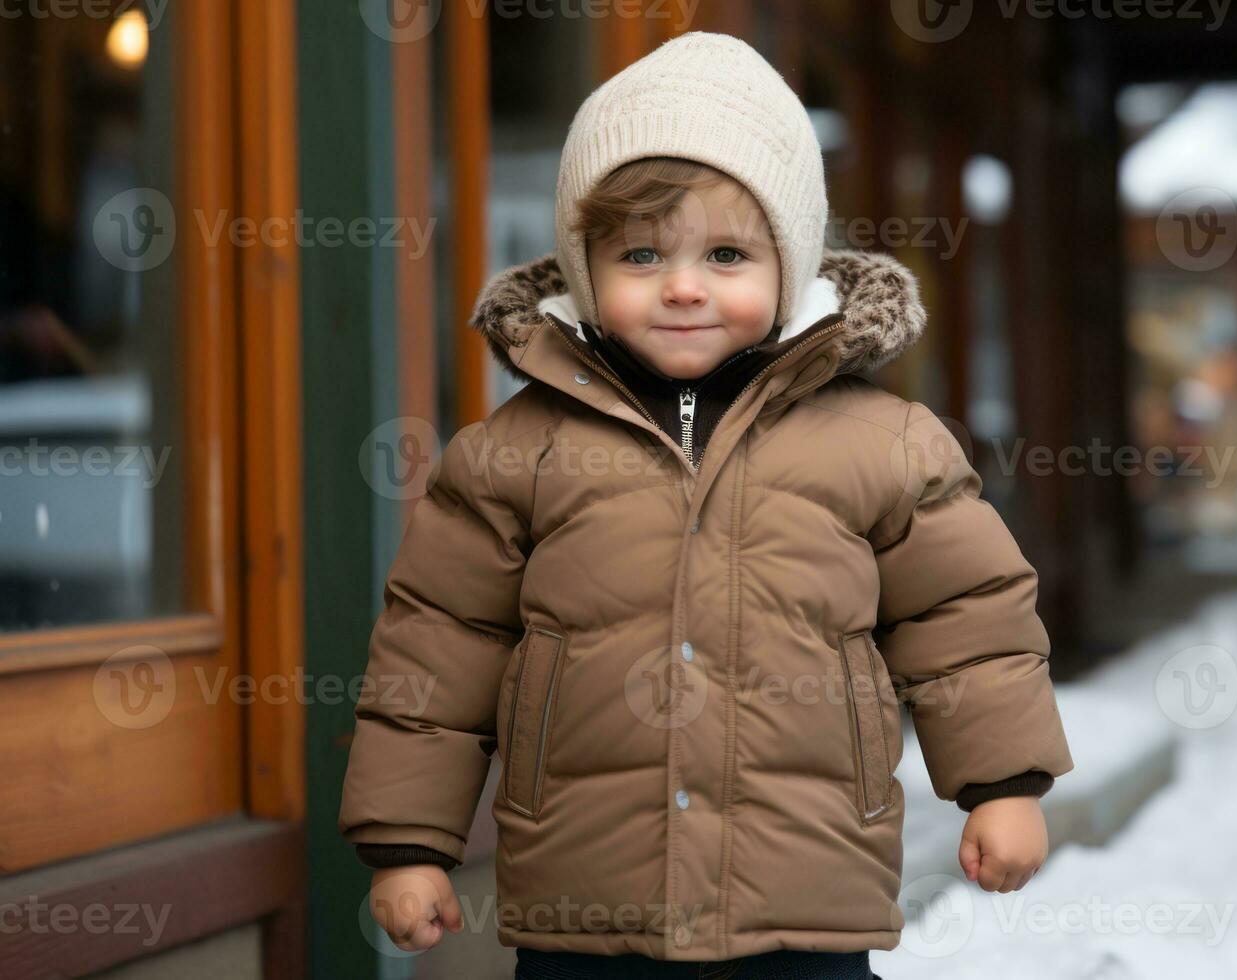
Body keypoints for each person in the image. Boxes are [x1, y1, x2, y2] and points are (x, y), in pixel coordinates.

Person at [339, 31, 1074, 979]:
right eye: (642, 254)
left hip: (803, 899)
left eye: (726, 253)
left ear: (791, 263)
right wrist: (409, 842)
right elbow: (438, 646)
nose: (683, 286)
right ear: (584, 268)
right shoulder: (516, 454)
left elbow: (966, 619)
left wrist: (1003, 787)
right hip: (587, 910)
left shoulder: (881, 444)